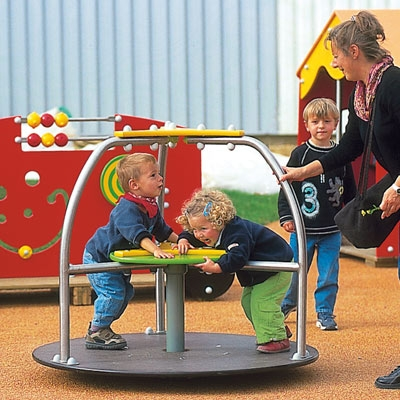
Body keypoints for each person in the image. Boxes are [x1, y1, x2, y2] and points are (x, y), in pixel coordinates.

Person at [279, 11, 400, 389]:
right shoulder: (361, 94)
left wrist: (399, 186)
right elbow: (349, 147)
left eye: (336, 55)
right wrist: (304, 171)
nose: (334, 62)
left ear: (353, 51)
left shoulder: (394, 84)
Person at [176, 189, 294, 353]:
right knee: (248, 303)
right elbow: (192, 234)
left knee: (261, 302)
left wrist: (216, 267)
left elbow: (238, 256)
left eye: (202, 229)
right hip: (260, 272)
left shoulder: (237, 232)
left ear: (219, 221)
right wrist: (183, 239)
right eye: (194, 229)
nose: (198, 235)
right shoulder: (213, 230)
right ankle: (276, 327)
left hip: (276, 267)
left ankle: (277, 338)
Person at [83, 153, 179, 350]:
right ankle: (96, 331)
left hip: (114, 259)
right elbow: (137, 234)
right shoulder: (126, 208)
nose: (160, 179)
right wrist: (155, 250)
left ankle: (102, 326)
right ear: (134, 185)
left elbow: (162, 230)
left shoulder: (150, 205)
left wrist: (184, 241)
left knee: (126, 293)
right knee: (113, 294)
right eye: (153, 175)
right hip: (99, 257)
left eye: (159, 174)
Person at [278, 98, 356, 331]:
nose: (321, 126)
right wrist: (286, 216)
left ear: (336, 124)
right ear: (307, 125)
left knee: (329, 274)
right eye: (315, 121)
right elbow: (286, 187)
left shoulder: (340, 155)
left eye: (327, 121)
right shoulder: (300, 154)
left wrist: (352, 214)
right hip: (303, 229)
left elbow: (349, 187)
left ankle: (325, 311)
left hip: (331, 229)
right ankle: (289, 302)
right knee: (295, 270)